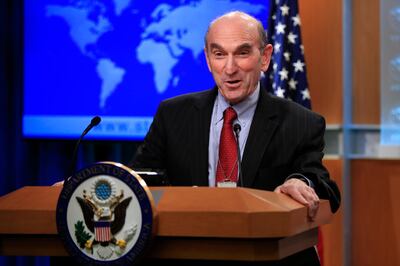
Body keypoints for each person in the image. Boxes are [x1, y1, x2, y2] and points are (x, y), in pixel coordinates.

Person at [130, 11, 340, 265]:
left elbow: (324, 186)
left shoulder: (300, 122)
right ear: (208, 60)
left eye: (242, 53)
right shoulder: (173, 114)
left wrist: (299, 181)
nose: (230, 69)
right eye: (219, 54)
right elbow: (140, 180)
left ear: (264, 57)